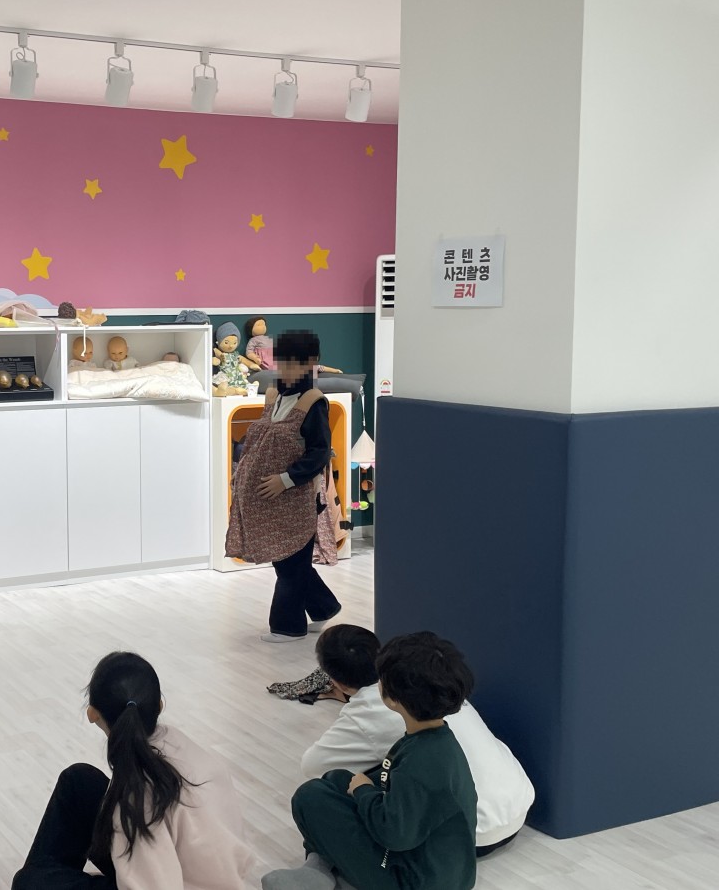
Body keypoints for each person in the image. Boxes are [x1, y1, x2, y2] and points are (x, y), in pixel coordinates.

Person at [12, 651, 253, 890]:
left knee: (28, 884)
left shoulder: (139, 793)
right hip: (205, 874)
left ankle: (46, 876)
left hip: (171, 882)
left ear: (92, 714)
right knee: (79, 781)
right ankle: (49, 874)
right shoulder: (179, 747)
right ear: (159, 706)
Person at [263, 632, 478, 890]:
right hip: (439, 867)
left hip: (412, 881)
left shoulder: (420, 763)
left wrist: (364, 792)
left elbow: (394, 834)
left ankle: (321, 868)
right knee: (337, 779)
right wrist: (362, 787)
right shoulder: (437, 741)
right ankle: (326, 865)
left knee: (308, 797)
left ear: (393, 699)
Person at [301, 624, 534, 856]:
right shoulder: (431, 681)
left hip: (469, 834)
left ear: (338, 683)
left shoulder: (372, 711)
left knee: (331, 788)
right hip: (518, 804)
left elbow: (314, 765)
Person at [225, 330, 342, 641]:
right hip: (271, 502)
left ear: (311, 363)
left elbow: (319, 453)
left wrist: (286, 479)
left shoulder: (313, 402)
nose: (287, 370)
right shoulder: (275, 396)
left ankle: (288, 626)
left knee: (291, 564)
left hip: (295, 498)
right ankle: (324, 607)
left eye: (295, 363)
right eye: (283, 362)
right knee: (288, 559)